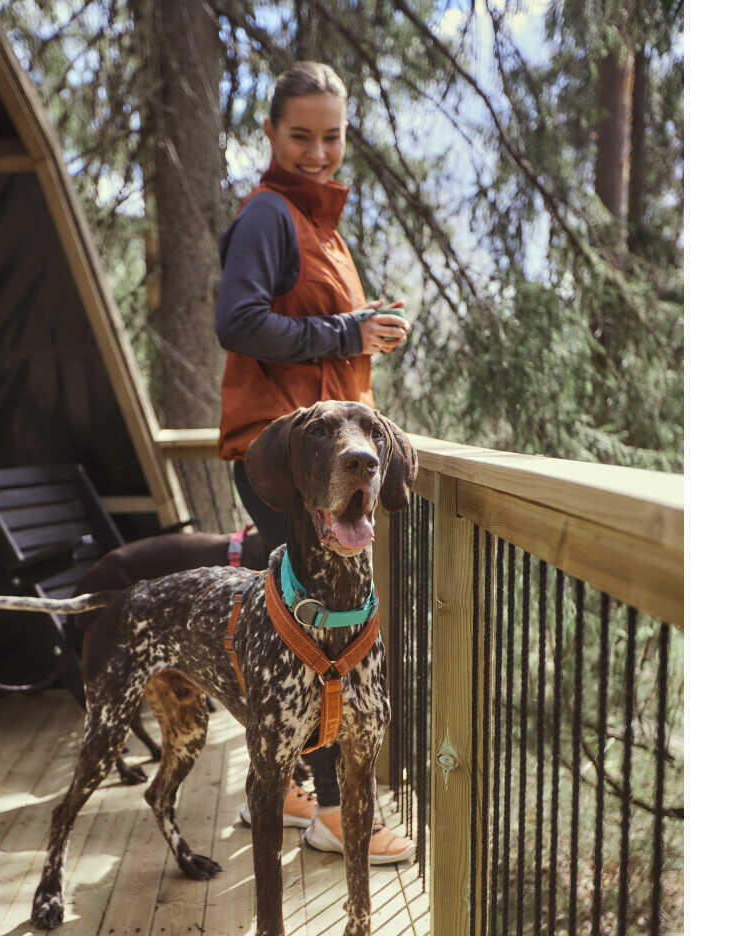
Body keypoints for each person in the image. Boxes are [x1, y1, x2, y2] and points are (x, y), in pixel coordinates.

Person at [215, 60, 414, 865]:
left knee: (301, 620)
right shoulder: (269, 215)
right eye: (300, 135)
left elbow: (312, 331)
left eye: (332, 136)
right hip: (284, 462)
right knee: (326, 628)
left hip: (317, 459)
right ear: (269, 132)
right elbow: (238, 321)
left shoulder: (317, 223)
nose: (319, 152)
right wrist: (347, 331)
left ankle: (288, 783)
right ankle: (336, 813)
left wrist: (364, 331)